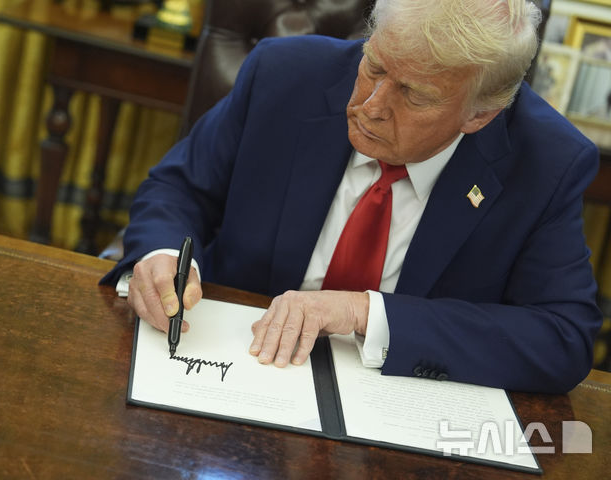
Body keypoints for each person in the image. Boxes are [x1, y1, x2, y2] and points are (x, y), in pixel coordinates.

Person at [101, 0, 602, 394]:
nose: (371, 106)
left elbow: (562, 336)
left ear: (480, 115)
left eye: (414, 95)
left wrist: (364, 312)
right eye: (375, 66)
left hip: (400, 407)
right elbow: (179, 187)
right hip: (230, 367)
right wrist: (163, 254)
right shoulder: (283, 75)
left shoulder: (547, 162)